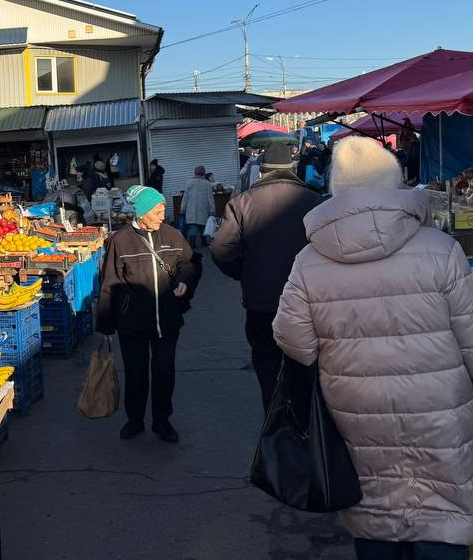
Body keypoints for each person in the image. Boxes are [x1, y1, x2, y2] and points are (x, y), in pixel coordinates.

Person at [271, 136, 473, 560]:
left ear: (336, 189)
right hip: (441, 407)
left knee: (374, 502)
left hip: (355, 408)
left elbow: (292, 339)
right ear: (395, 183)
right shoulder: (441, 250)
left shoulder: (308, 260)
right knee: (444, 499)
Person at [210, 142, 321, 409]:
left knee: (266, 361)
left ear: (262, 172)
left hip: (261, 301)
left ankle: (274, 422)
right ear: (293, 169)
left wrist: (243, 272)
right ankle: (303, 422)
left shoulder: (241, 203)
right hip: (307, 300)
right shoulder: (315, 201)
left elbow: (220, 249)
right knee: (305, 360)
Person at [95, 184, 199, 443]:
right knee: (136, 374)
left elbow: (190, 262)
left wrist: (185, 280)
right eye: (156, 210)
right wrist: (106, 325)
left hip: (167, 319)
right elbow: (109, 283)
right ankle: (135, 420)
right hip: (133, 323)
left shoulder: (173, 235)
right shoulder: (120, 241)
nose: (162, 215)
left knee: (165, 373)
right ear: (141, 213)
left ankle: (162, 421)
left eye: (163, 209)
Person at [180, 166, 215, 248]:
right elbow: (210, 198)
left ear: (195, 173)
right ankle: (203, 242)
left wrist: (182, 209)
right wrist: (212, 210)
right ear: (204, 173)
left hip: (191, 209)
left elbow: (185, 197)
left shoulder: (189, 182)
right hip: (203, 209)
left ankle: (192, 243)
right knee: (202, 226)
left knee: (192, 227)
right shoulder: (207, 184)